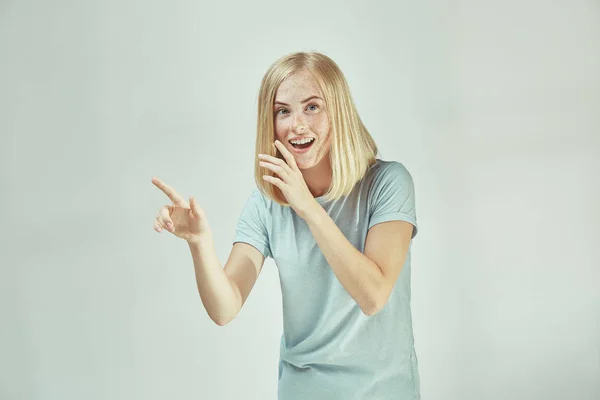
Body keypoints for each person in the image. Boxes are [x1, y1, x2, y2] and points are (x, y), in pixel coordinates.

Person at [152, 51, 420, 399]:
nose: (297, 124)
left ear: (338, 111)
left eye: (312, 106)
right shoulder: (266, 203)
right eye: (283, 111)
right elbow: (225, 307)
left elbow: (373, 296)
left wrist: (308, 206)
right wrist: (199, 243)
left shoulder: (388, 183)